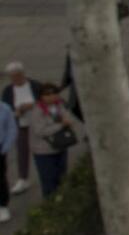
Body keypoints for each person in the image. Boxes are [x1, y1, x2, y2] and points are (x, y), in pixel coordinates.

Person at [23, 81, 80, 196]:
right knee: (49, 180)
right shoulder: (36, 110)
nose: (51, 96)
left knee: (62, 178)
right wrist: (61, 125)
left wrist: (67, 122)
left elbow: (70, 119)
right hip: (43, 152)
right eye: (47, 94)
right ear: (41, 96)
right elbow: (40, 131)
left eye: (54, 93)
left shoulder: (60, 105)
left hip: (60, 147)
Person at [4, 62, 32, 195]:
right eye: (12, 77)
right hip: (20, 125)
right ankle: (23, 178)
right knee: (22, 151)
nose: (15, 79)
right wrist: (17, 112)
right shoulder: (8, 90)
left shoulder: (34, 85)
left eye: (17, 76)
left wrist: (31, 105)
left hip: (37, 124)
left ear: (22, 74)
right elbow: (6, 110)